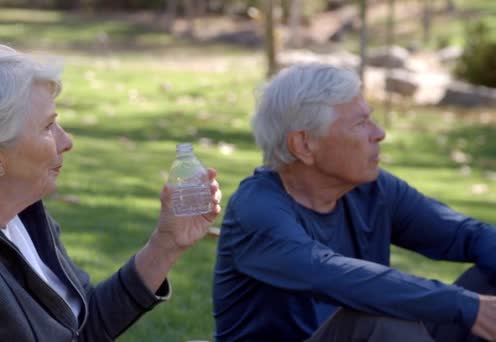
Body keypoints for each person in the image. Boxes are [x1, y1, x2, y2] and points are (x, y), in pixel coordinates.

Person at [0, 40, 221, 341]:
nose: (67, 142)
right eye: (48, 127)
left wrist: (167, 243)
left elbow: (82, 326)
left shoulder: (21, 216)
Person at [212, 63, 496, 341]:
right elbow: (332, 275)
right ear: (304, 145)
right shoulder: (256, 211)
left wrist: (474, 306)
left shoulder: (373, 190)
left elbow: (466, 234)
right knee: (377, 317)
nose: (379, 133)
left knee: (489, 280)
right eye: (361, 123)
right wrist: (466, 306)